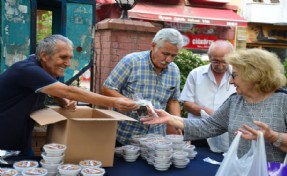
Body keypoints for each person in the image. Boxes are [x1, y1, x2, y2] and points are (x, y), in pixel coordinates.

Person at [0, 34, 138, 156]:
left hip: (21, 140)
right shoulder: (27, 70)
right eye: (63, 57)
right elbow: (68, 91)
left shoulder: (42, 67)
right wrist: (114, 102)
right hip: (4, 145)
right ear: (44, 56)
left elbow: (53, 89)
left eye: (70, 58)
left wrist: (62, 101)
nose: (67, 63)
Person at [141, 48, 287, 163]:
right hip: (239, 169)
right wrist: (170, 119)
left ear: (254, 76)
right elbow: (207, 126)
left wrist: (273, 136)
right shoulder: (235, 101)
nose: (230, 81)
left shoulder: (283, 101)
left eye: (234, 75)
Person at [101, 28, 184, 146]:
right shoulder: (131, 61)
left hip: (156, 138)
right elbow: (107, 88)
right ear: (153, 45)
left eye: (173, 56)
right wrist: (135, 105)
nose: (168, 60)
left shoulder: (174, 70)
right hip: (126, 135)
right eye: (165, 54)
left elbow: (173, 100)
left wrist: (176, 122)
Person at [180, 40, 236, 153]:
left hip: (226, 135)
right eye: (215, 61)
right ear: (209, 57)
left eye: (224, 61)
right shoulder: (196, 74)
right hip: (199, 132)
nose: (220, 65)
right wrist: (206, 111)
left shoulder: (238, 75)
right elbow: (186, 104)